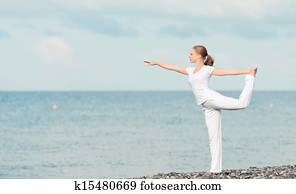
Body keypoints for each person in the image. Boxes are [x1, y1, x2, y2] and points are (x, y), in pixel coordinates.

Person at [144, 44, 257, 174]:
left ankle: (250, 78)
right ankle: (215, 169)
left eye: (191, 54)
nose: (189, 56)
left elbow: (225, 72)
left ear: (199, 56)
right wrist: (157, 63)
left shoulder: (207, 70)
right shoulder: (191, 71)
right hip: (206, 106)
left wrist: (247, 72)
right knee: (213, 137)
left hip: (211, 98)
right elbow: (174, 68)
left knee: (242, 103)